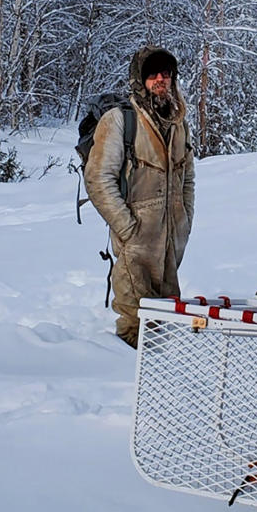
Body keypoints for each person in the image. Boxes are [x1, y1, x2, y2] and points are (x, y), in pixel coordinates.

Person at [85, 46, 195, 348]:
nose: (160, 79)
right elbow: (97, 178)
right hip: (136, 243)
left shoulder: (178, 122)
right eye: (152, 74)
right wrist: (127, 228)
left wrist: (185, 218)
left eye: (166, 73)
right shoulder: (120, 121)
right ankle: (124, 387)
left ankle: (163, 387)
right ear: (140, 79)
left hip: (171, 242)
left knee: (169, 319)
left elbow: (188, 177)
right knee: (134, 326)